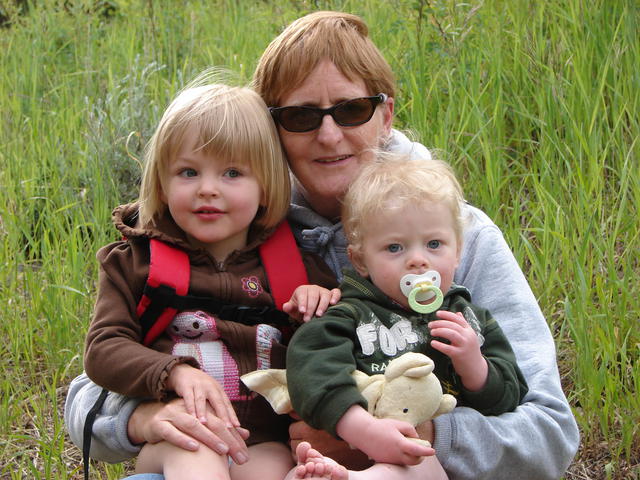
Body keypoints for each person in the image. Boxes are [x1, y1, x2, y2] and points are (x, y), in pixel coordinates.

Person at [65, 10, 579, 480]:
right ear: (272, 131)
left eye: (352, 109)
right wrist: (152, 417)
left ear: (387, 113)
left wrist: (401, 434)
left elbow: (550, 435)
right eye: (302, 117)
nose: (330, 136)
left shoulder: (460, 237)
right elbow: (89, 395)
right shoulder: (243, 225)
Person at [82, 81, 342, 479]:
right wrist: (174, 372)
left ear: (266, 187)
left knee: (280, 468)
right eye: (188, 171)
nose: (207, 189)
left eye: (232, 173)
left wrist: (320, 301)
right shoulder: (135, 263)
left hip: (259, 441)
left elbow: (334, 343)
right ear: (163, 185)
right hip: (178, 436)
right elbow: (104, 348)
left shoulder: (298, 267)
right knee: (198, 453)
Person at [285, 154, 529, 479]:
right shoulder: (348, 314)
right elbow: (311, 369)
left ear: (457, 252)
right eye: (395, 248)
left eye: (433, 244)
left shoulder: (469, 319)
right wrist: (362, 429)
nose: (418, 261)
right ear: (360, 260)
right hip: (349, 446)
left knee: (421, 463)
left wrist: (475, 367)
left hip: (422, 458)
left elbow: (510, 397)